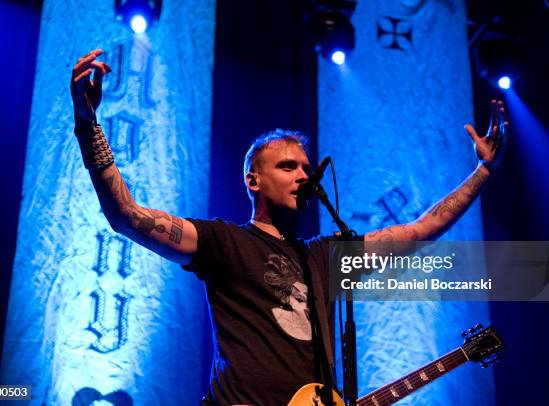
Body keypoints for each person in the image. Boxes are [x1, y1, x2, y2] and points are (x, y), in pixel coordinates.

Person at [71, 49, 509, 405]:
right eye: (287, 166)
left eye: (305, 166)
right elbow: (126, 215)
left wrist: (482, 175)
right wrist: (89, 125)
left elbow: (418, 231)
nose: (303, 175)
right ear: (253, 180)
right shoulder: (225, 242)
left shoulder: (324, 256)